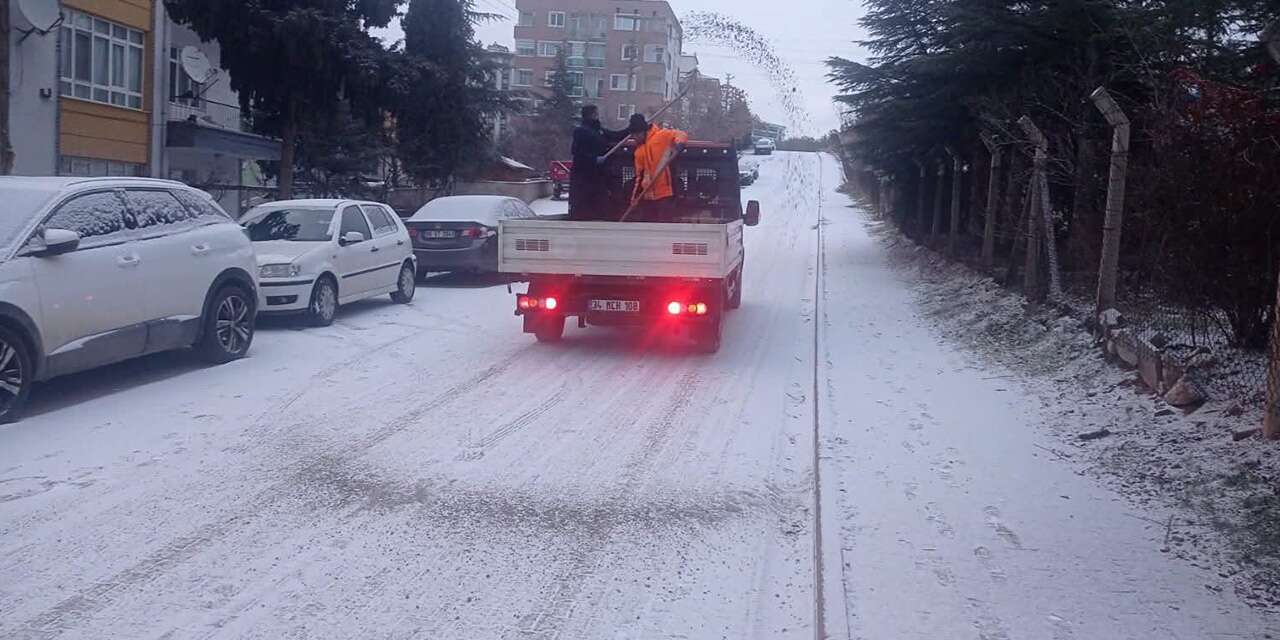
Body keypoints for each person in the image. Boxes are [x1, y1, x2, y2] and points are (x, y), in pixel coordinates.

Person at [625, 113, 688, 222]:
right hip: (647, 196)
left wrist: (679, 145)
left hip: (666, 193)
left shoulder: (662, 135)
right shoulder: (638, 152)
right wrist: (634, 198)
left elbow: (681, 134)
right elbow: (639, 177)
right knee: (648, 228)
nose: (633, 138)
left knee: (664, 226)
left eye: (634, 135)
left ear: (641, 132)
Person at [568, 105, 626, 220]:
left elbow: (616, 135)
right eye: (596, 113)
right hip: (583, 179)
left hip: (598, 177)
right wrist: (593, 159)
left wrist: (632, 128)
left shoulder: (599, 131)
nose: (598, 115)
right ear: (591, 115)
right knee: (585, 209)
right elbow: (577, 152)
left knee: (599, 207)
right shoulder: (581, 131)